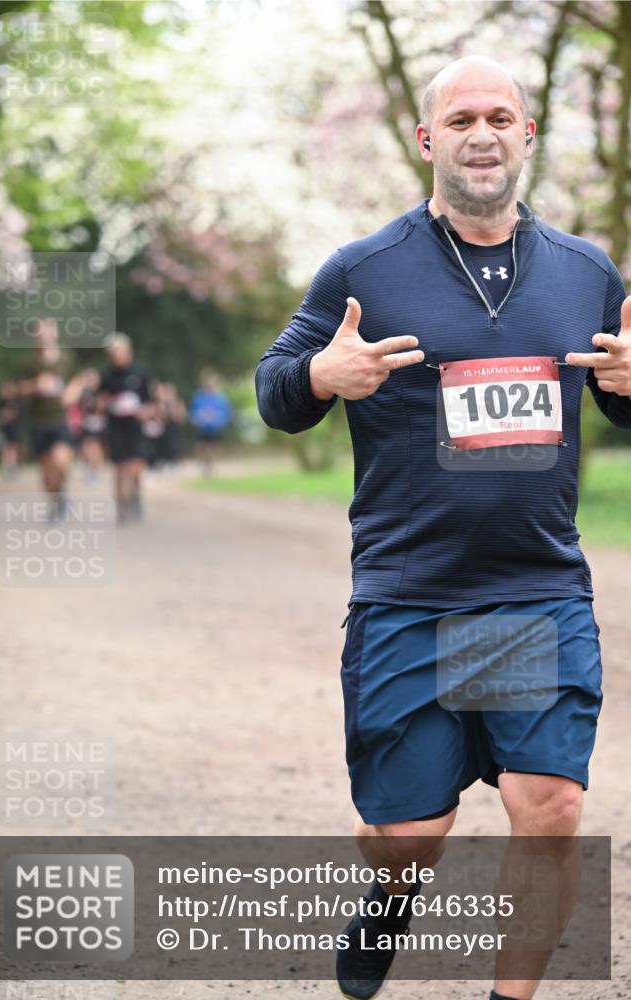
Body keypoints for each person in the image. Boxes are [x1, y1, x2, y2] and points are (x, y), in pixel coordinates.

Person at [255, 55, 631, 1000]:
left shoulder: (588, 273)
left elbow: (624, 402)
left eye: (500, 116)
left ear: (526, 136)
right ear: (428, 141)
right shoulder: (364, 270)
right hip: (409, 597)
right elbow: (277, 388)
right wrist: (315, 378)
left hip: (531, 593)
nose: (481, 132)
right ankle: (386, 897)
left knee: (548, 807)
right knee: (410, 837)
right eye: (459, 118)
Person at [17, 318, 83, 519]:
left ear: (54, 333)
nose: (43, 335)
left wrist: (71, 393)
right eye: (39, 332)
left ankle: (62, 491)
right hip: (39, 420)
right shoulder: (29, 361)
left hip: (60, 419)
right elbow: (19, 388)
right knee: (46, 471)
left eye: (46, 331)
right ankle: (55, 504)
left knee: (60, 461)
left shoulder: (66, 357)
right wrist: (36, 386)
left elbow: (78, 380)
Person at [98, 333, 152, 523]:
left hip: (135, 426)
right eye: (112, 353)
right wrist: (107, 404)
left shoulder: (140, 372)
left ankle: (135, 497)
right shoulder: (106, 375)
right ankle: (121, 506)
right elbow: (99, 401)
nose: (116, 355)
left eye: (119, 351)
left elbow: (151, 401)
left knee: (136, 467)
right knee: (120, 467)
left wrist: (145, 411)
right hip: (115, 426)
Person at [189, 371, 233, 475]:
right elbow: (193, 411)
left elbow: (226, 411)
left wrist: (221, 420)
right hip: (202, 427)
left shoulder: (220, 397)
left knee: (214, 447)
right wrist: (196, 419)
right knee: (201, 446)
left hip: (214, 427)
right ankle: (203, 464)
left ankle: (212, 465)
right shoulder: (198, 397)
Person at [76, 368, 107, 483]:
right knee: (86, 448)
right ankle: (90, 469)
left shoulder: (101, 390)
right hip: (86, 422)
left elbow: (102, 406)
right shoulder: (83, 392)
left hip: (99, 422)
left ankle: (95, 471)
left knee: (96, 448)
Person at [0, 380, 22, 478]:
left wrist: (7, 415)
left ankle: (13, 466)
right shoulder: (1, 402)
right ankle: (6, 467)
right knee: (5, 448)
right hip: (5, 428)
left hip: (14, 427)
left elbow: (16, 414)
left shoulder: (16, 401)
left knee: (13, 447)